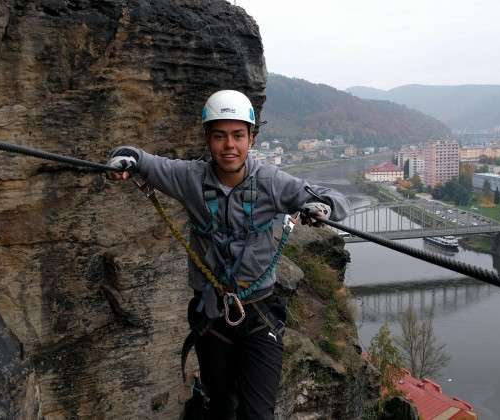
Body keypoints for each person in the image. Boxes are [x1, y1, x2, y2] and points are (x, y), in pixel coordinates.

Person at [107, 90, 350, 420]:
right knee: (222, 407)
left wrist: (323, 207)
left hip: (259, 313)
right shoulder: (190, 178)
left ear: (251, 138)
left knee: (257, 415)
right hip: (211, 314)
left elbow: (331, 197)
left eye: (238, 135)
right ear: (208, 139)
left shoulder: (270, 182)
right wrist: (125, 160)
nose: (229, 146)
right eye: (219, 136)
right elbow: (144, 161)